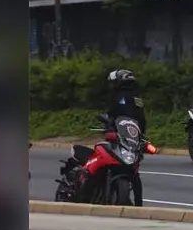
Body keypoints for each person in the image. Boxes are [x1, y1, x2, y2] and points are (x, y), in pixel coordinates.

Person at [58, 69, 147, 206]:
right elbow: (139, 120)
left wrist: (140, 138)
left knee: (135, 173)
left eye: (113, 83)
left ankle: (139, 206)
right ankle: (83, 190)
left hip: (127, 138)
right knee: (101, 154)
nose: (112, 86)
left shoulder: (121, 98)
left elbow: (134, 119)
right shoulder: (136, 99)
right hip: (122, 137)